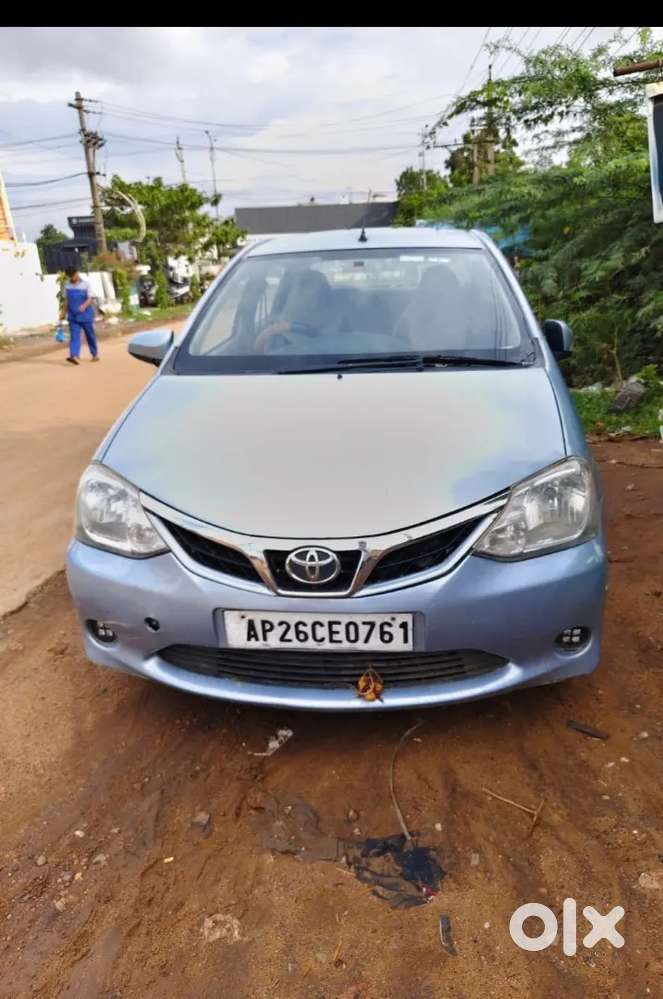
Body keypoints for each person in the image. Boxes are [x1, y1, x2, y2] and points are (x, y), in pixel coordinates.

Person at [62, 267, 99, 365]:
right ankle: (74, 355)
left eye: (73, 275)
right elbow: (66, 300)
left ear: (76, 273)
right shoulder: (67, 286)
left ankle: (94, 354)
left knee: (90, 335)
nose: (72, 278)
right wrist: (62, 313)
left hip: (85, 315)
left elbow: (91, 298)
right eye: (70, 276)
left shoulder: (86, 285)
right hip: (73, 316)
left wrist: (84, 305)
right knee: (74, 336)